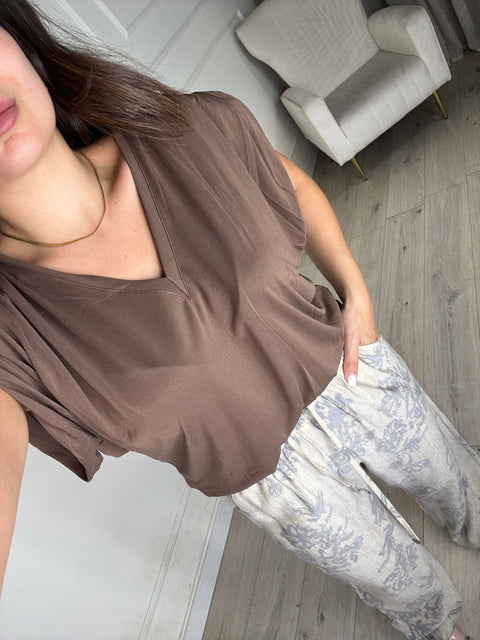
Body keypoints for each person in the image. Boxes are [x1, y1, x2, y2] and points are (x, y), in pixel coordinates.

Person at [0, 2, 478, 639]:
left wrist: (355, 292)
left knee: (455, 474)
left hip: (351, 373)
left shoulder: (188, 127)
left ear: (19, 37)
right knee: (390, 577)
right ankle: (438, 623)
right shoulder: (8, 334)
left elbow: (294, 188)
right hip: (275, 484)